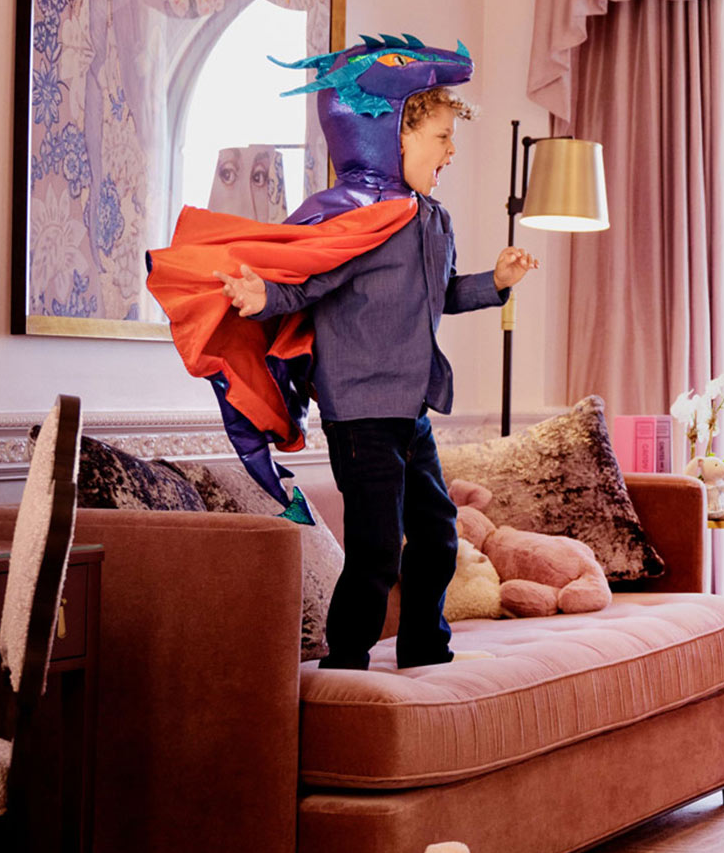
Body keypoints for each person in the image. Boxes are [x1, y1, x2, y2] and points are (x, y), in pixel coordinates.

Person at [214, 80, 537, 670]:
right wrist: (264, 296)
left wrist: (494, 283)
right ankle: (346, 661)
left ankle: (423, 645)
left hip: (411, 410)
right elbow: (310, 281)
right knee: (377, 549)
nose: (451, 151)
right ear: (397, 137)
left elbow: (440, 294)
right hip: (359, 413)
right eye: (442, 136)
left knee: (439, 534)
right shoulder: (358, 223)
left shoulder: (434, 220)